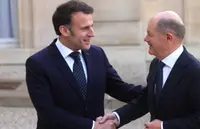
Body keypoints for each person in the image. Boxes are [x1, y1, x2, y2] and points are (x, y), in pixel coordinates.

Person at [25, 0, 144, 129]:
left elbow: (122, 90)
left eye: (92, 26)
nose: (92, 33)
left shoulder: (97, 54)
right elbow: (48, 112)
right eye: (85, 28)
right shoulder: (38, 63)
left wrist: (158, 90)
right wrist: (92, 126)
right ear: (64, 30)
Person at [98, 11, 200, 129]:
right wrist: (117, 117)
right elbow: (147, 100)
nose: (145, 39)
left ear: (168, 37)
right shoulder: (156, 63)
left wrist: (164, 126)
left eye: (150, 34)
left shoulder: (195, 72)